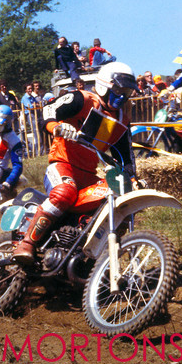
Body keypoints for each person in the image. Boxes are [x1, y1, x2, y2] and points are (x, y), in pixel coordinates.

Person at [12, 62, 138, 265]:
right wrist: (57, 127)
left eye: (128, 91)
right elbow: (48, 110)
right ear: (106, 84)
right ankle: (27, 243)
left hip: (88, 174)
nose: (123, 95)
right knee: (64, 193)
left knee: (116, 199)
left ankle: (90, 257)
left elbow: (124, 156)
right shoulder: (83, 98)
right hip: (62, 164)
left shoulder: (122, 118)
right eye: (119, 89)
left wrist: (132, 179)